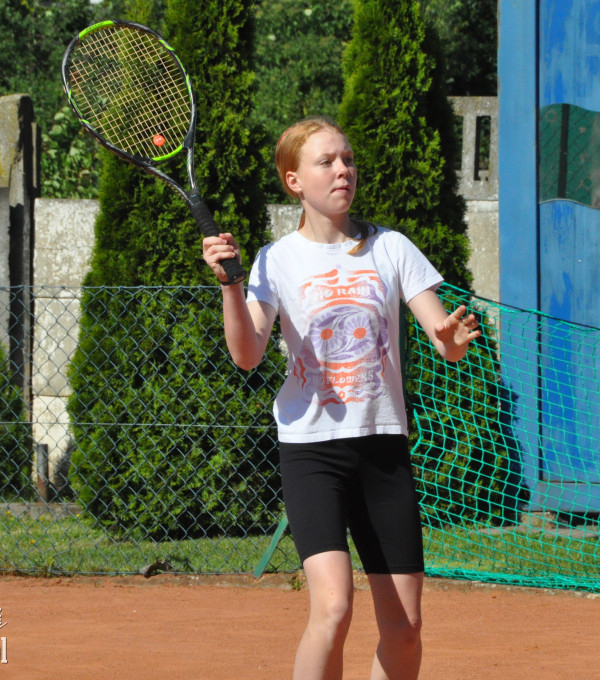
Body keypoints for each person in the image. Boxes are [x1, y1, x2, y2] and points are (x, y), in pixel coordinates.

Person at [201, 116, 480, 680]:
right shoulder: (275, 260)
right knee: (333, 608)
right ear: (294, 180)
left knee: (405, 629)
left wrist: (449, 340)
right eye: (326, 161)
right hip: (312, 453)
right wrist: (231, 284)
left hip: (381, 448)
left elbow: (443, 340)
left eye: (347, 159)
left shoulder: (392, 248)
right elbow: (247, 354)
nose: (342, 170)